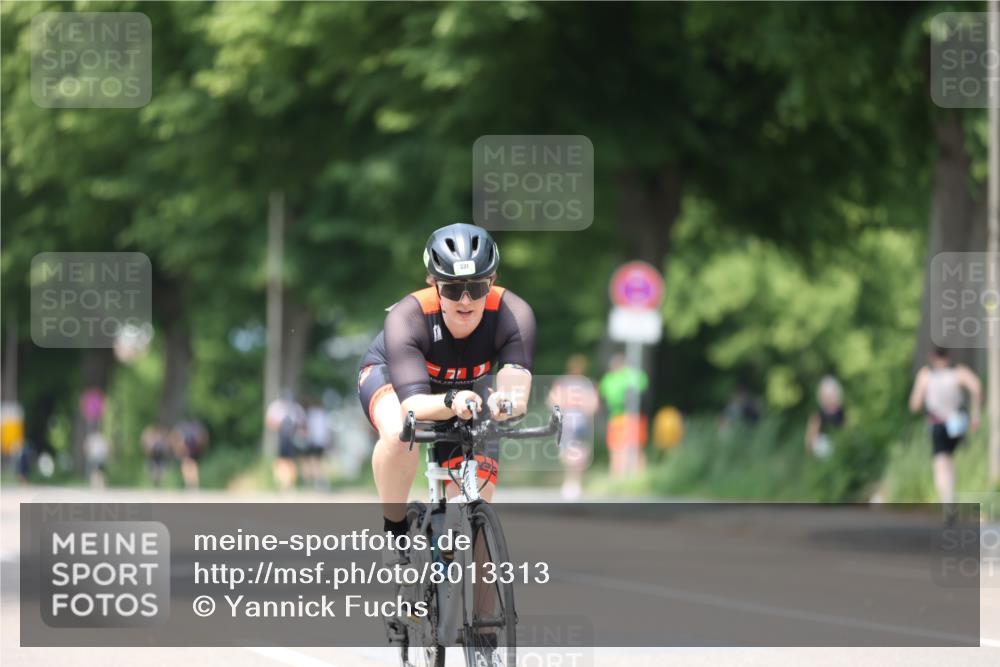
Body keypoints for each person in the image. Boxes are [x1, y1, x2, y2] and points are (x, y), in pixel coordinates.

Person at [357, 223, 535, 548]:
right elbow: (413, 406)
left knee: (474, 524)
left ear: (492, 282)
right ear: (433, 284)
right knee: (400, 431)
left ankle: (461, 575)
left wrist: (508, 401)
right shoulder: (408, 316)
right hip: (396, 380)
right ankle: (395, 530)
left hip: (466, 393)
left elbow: (516, 379)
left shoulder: (513, 312)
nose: (465, 300)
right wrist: (451, 400)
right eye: (453, 289)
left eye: (477, 288)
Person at [908, 346, 982, 504]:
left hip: (940, 424)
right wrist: (976, 414)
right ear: (948, 357)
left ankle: (947, 499)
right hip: (958, 423)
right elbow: (976, 386)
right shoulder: (959, 372)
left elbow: (914, 405)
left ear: (932, 358)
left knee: (941, 462)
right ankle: (950, 496)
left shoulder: (926, 375)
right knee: (948, 460)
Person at [548, 355, 599, 500]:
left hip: (578, 421)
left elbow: (592, 405)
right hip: (567, 421)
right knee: (567, 452)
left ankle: (573, 482)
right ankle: (572, 480)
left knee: (576, 452)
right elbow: (553, 400)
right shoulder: (564, 382)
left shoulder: (585, 383)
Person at [598, 353, 648, 476]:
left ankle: (639, 476)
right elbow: (608, 395)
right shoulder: (610, 379)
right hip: (617, 417)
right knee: (616, 448)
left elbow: (642, 384)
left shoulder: (630, 375)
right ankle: (617, 476)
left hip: (632, 416)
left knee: (635, 447)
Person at [266, 392, 306, 492]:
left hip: (292, 438)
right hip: (281, 438)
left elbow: (302, 424)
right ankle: (282, 484)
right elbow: (269, 422)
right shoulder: (276, 407)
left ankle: (289, 484)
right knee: (281, 461)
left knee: (290, 462)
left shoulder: (296, 408)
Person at [805, 375, 846, 459]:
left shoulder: (842, 411)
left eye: (832, 395)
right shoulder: (817, 417)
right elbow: (809, 444)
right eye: (827, 396)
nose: (830, 399)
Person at [171, 419, 208, 489]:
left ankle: (189, 484)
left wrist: (178, 450)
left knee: (186, 465)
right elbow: (203, 438)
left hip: (187, 450)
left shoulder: (182, 429)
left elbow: (177, 440)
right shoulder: (196, 428)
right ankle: (194, 484)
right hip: (195, 450)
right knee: (192, 465)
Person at [303, 398, 332, 490]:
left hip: (314, 441)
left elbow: (309, 429)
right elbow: (327, 430)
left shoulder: (311, 414)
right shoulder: (323, 414)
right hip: (321, 442)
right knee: (319, 462)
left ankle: (316, 481)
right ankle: (319, 481)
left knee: (314, 462)